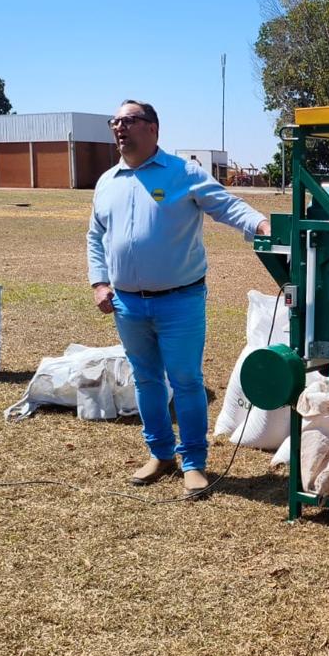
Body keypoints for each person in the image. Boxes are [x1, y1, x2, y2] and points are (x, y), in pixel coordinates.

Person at [87, 100, 270, 489]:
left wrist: (259, 223)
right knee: (146, 381)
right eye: (115, 122)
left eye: (129, 121)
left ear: (153, 128)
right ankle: (160, 454)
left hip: (179, 301)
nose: (120, 128)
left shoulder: (182, 173)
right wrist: (100, 282)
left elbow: (225, 205)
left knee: (185, 381)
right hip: (127, 303)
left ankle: (193, 463)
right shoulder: (107, 182)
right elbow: (95, 238)